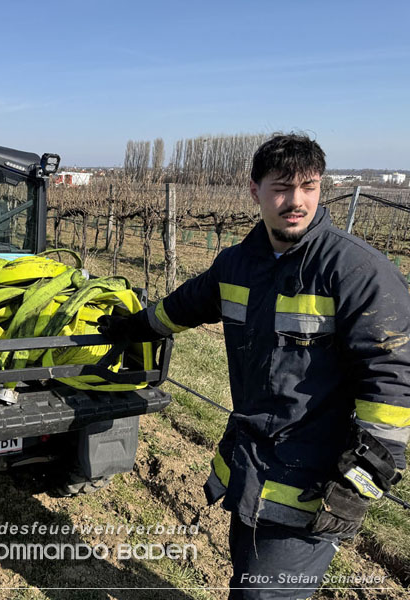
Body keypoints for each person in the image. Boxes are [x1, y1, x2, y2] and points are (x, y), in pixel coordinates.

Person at [99, 134, 410, 600]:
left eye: (309, 186)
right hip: (251, 468)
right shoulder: (238, 265)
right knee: (245, 580)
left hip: (312, 484)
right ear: (254, 190)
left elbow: (392, 380)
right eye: (282, 187)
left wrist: (362, 479)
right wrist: (136, 326)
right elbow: (184, 306)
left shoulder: (355, 270)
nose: (297, 201)